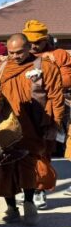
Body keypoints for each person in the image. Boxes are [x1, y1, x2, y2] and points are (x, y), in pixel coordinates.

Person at [0, 33, 66, 225]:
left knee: (28, 167)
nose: (15, 56)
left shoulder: (45, 67)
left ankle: (29, 202)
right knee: (4, 167)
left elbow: (56, 97)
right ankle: (11, 207)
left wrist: (55, 124)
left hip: (33, 126)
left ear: (29, 48)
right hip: (6, 126)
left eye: (19, 52)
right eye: (11, 52)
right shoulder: (1, 68)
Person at [23, 20, 71, 202]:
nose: (33, 46)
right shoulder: (21, 55)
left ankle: (39, 189)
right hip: (24, 109)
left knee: (43, 150)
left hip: (50, 109)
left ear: (46, 40)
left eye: (38, 42)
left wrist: (47, 73)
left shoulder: (58, 55)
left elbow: (67, 79)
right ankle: (26, 188)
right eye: (30, 42)